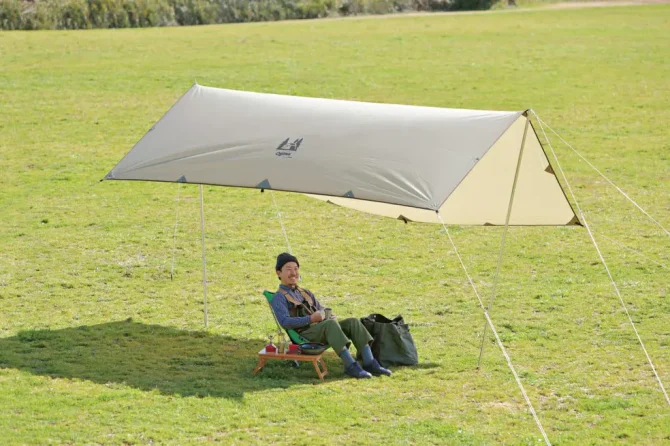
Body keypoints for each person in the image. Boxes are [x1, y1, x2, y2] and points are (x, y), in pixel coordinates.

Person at [271, 252, 392, 379]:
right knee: (330, 325)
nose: (293, 273)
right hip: (304, 335)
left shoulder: (304, 292)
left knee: (353, 322)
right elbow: (285, 322)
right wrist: (310, 319)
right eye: (288, 269)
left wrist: (328, 314)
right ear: (279, 273)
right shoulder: (279, 297)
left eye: (296, 269)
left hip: (321, 328)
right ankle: (350, 366)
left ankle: (370, 363)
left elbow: (321, 308)